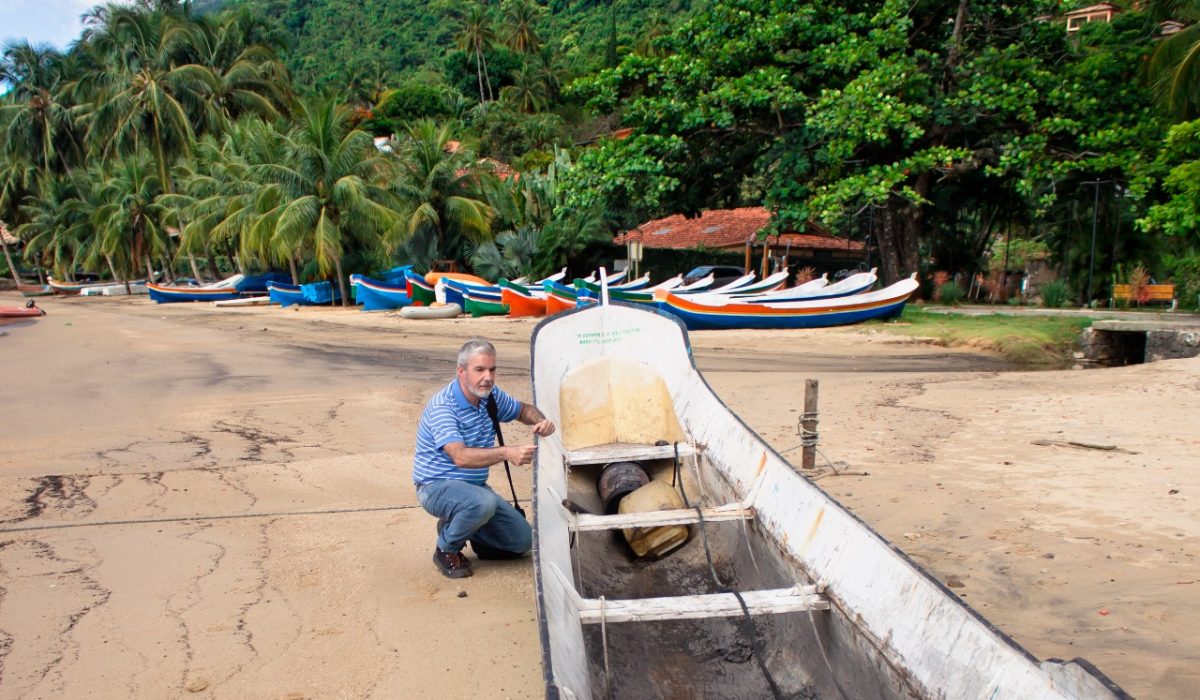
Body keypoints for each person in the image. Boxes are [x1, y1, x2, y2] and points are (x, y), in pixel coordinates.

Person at [413, 338, 556, 579]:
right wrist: (507, 452)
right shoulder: (443, 406)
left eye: (492, 369)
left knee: (521, 542)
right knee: (482, 503)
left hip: (475, 489)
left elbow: (522, 410)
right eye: (479, 370)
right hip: (435, 487)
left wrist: (541, 421)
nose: (487, 377)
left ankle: (461, 524)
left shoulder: (490, 396)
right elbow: (460, 457)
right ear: (462, 372)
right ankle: (446, 548)